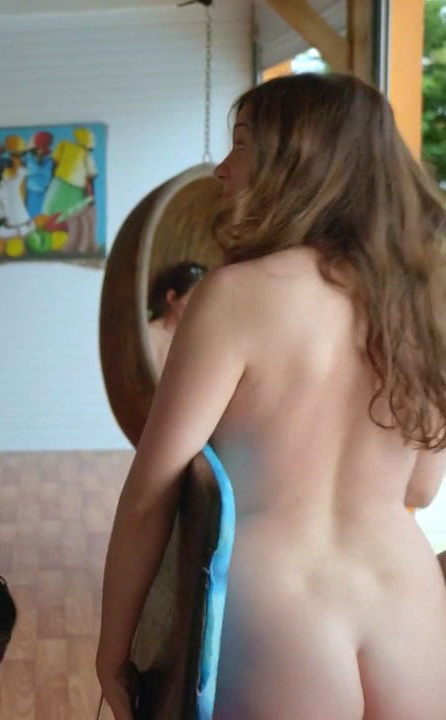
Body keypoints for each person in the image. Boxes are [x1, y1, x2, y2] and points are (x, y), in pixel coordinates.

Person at [97, 73, 446, 719]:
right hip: (408, 595)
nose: (222, 170)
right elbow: (421, 489)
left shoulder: (235, 295)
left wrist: (112, 649)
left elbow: (151, 493)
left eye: (242, 143)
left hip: (277, 607)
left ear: (300, 159)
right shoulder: (423, 302)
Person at [146, 261, 207, 373]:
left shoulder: (198, 342)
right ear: (172, 297)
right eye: (193, 300)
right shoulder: (150, 336)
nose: (200, 307)